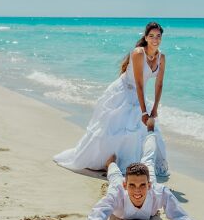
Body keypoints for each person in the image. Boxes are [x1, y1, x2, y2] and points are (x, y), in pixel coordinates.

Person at [54, 21, 169, 177]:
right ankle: (104, 162)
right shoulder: (138, 53)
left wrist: (154, 109)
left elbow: (159, 84)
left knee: (136, 132)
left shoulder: (161, 57)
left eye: (158, 36)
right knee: (114, 128)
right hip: (123, 91)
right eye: (151, 36)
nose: (155, 39)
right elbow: (139, 84)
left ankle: (127, 164)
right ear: (146, 37)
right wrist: (144, 112)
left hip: (138, 94)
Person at [87, 134, 196, 220]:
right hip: (119, 183)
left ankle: (150, 132)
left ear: (149, 186)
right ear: (125, 186)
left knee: (148, 162)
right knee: (114, 174)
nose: (137, 190)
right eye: (132, 185)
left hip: (149, 182)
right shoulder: (117, 192)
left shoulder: (159, 192)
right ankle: (111, 162)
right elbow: (95, 217)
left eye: (142, 185)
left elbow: (185, 219)